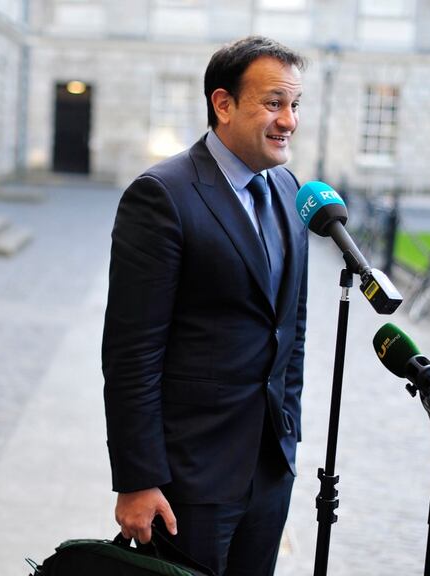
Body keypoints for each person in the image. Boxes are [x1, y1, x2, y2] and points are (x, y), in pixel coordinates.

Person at [102, 36, 309, 576]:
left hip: (268, 471)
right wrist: (138, 478)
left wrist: (287, 430)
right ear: (223, 104)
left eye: (295, 104)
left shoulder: (289, 191)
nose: (289, 120)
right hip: (186, 482)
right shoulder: (162, 195)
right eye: (273, 103)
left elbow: (292, 327)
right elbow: (131, 353)